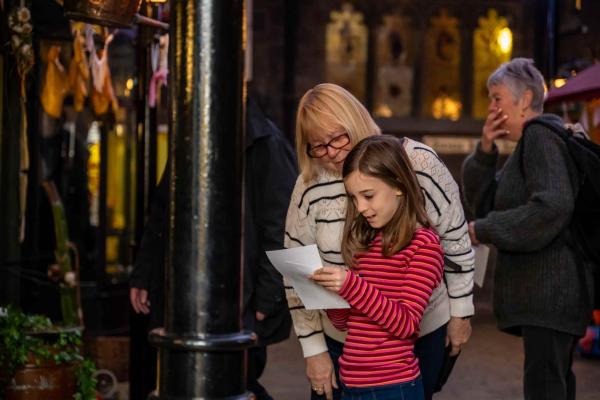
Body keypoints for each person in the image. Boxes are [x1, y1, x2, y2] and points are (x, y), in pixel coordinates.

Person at [284, 83, 474, 400]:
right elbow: (296, 267)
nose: (330, 153)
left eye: (336, 138)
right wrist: (314, 347)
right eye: (317, 145)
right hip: (347, 349)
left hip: (414, 345)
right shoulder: (308, 184)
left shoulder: (417, 163)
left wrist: (462, 313)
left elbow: (455, 240)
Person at [130, 98, 297, 400]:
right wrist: (143, 275)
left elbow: (283, 228)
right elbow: (162, 210)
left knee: (235, 383)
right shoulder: (192, 136)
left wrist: (267, 300)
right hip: (186, 296)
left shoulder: (266, 144)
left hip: (242, 302)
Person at [461, 58, 593, 400]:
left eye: (496, 97)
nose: (491, 106)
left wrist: (483, 229)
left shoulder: (540, 138)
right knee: (554, 383)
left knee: (545, 388)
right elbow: (486, 202)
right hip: (550, 297)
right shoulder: (533, 143)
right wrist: (486, 150)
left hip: (550, 293)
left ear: (524, 99)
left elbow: (552, 207)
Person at [310, 135, 444, 400]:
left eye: (368, 195)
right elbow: (350, 323)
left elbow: (405, 324)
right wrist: (328, 298)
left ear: (398, 185)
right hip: (352, 384)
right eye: (354, 198)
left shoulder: (424, 246)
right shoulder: (369, 241)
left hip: (392, 387)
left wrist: (351, 285)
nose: (360, 208)